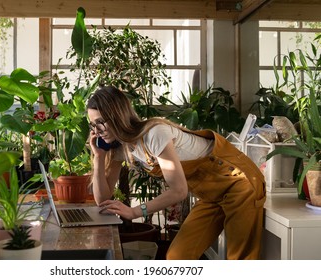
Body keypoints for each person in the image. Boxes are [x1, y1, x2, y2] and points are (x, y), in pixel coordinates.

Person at [87, 85, 266, 260]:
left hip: (240, 183)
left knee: (240, 259)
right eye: (92, 125)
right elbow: (103, 200)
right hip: (212, 195)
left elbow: (178, 191)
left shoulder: (154, 134)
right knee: (178, 257)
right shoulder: (120, 148)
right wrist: (99, 157)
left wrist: (134, 212)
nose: (96, 131)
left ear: (117, 116)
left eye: (100, 123)